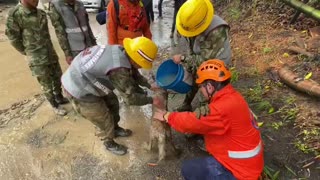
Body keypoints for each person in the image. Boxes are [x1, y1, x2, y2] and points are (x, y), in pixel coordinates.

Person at [153, 59, 264, 180]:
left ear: (210, 87)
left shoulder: (220, 109)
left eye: (201, 86)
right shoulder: (233, 97)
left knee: (189, 169)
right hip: (250, 163)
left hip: (241, 173)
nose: (200, 89)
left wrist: (166, 116)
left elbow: (191, 122)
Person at [61, 37, 161, 155]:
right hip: (78, 88)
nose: (141, 67)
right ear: (135, 59)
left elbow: (134, 73)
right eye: (141, 64)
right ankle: (108, 142)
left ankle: (115, 129)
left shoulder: (123, 52)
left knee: (113, 103)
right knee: (102, 117)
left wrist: (149, 85)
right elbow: (130, 99)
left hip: (89, 78)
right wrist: (152, 99)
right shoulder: (119, 69)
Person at [6, 0, 68, 116]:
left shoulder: (41, 13)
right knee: (46, 84)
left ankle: (59, 97)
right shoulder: (16, 14)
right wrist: (27, 52)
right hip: (36, 57)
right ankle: (54, 105)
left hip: (50, 53)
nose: (36, 1)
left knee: (57, 76)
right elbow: (13, 38)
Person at [173, 0, 232, 112]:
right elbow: (191, 48)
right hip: (200, 58)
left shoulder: (217, 31)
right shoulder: (188, 23)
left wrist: (183, 58)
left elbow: (205, 61)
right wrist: (190, 65)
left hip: (216, 63)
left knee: (206, 92)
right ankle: (186, 104)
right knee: (194, 78)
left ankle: (203, 116)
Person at [49, 0, 97, 65]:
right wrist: (67, 53)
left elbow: (87, 26)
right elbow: (60, 33)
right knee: (80, 73)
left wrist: (94, 44)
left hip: (89, 46)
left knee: (94, 69)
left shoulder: (80, 4)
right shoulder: (56, 6)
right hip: (75, 50)